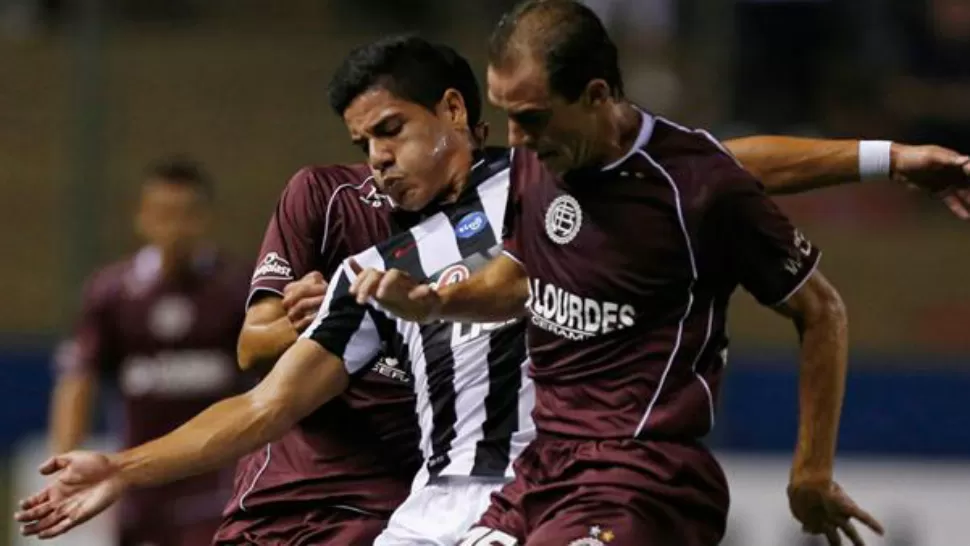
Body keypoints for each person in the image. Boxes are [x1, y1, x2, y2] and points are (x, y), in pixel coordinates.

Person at [15, 34, 970, 545]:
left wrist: (891, 159)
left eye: (390, 132)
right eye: (363, 147)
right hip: (430, 508)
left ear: (455, 113)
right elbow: (264, 402)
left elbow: (722, 162)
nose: (377, 162)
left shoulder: (543, 179)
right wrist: (119, 466)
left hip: (536, 495)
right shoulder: (372, 268)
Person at [342, 5, 969, 546]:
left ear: (595, 95)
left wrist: (810, 469)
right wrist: (431, 302)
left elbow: (820, 308)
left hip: (643, 479)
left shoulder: (696, 188)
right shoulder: (541, 163)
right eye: (506, 114)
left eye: (530, 117)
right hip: (540, 474)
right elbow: (518, 280)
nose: (514, 138)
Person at [47, 157, 251, 546]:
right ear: (142, 217)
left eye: (186, 214)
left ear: (205, 217)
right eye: (163, 213)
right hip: (136, 492)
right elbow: (78, 379)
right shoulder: (111, 292)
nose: (175, 227)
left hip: (216, 494)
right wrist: (66, 463)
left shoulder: (237, 288)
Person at [214, 164, 421, 545]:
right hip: (278, 501)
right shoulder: (326, 194)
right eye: (368, 138)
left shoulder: (499, 231)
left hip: (388, 507)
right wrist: (332, 312)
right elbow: (253, 348)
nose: (382, 154)